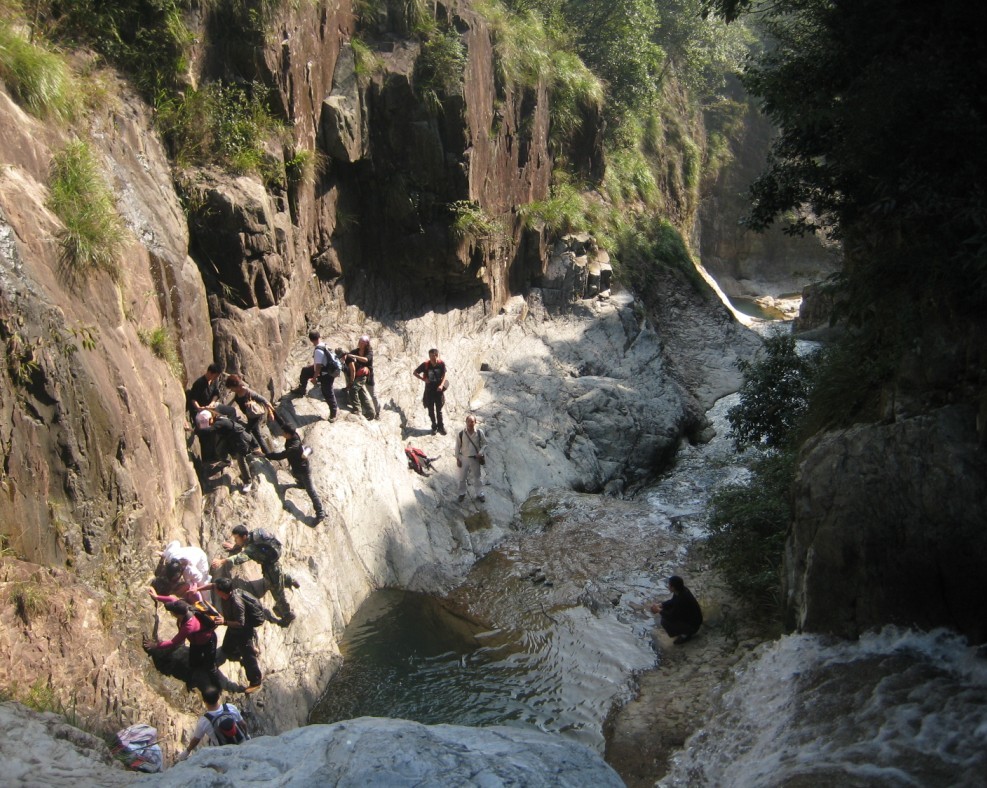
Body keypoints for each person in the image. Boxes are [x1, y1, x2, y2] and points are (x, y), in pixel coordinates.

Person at [211, 525, 297, 625]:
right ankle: (290, 580)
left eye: (236, 538)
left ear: (243, 537)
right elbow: (244, 546)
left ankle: (287, 615)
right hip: (272, 565)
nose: (235, 541)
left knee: (278, 593)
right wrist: (234, 547)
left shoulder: (252, 548)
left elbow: (239, 558)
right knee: (277, 578)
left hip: (271, 569)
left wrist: (222, 561)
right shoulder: (253, 535)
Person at [143, 597, 220, 690]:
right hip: (196, 642)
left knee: (210, 666)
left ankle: (217, 686)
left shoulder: (189, 626)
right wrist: (156, 596)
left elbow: (173, 642)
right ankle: (192, 679)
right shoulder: (185, 607)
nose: (170, 613)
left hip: (208, 641)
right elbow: (171, 598)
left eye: (172, 612)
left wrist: (155, 645)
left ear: (177, 614)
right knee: (193, 663)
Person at [211, 577, 268, 692]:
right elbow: (212, 586)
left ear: (222, 592)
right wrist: (197, 589)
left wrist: (224, 622)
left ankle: (255, 681)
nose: (214, 589)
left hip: (243, 630)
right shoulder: (226, 592)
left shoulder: (237, 603)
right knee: (226, 648)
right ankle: (235, 653)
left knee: (248, 656)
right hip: (232, 627)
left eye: (216, 589)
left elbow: (240, 623)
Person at [265, 424, 325, 525]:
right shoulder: (294, 435)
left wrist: (265, 455)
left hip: (303, 470)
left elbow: (281, 455)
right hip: (297, 468)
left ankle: (320, 512)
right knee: (297, 476)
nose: (282, 434)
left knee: (311, 491)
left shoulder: (294, 446)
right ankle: (301, 484)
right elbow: (281, 421)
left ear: (288, 434)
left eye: (284, 433)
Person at [174, 687, 248, 761]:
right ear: (219, 697)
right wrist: (247, 736)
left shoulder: (204, 721)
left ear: (204, 701)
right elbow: (243, 724)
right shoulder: (230, 707)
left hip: (223, 752)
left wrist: (187, 751)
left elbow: (196, 740)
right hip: (241, 744)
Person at [195, 410, 258, 492]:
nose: (208, 425)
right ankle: (227, 461)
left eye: (207, 422)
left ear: (211, 418)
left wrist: (193, 430)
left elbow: (210, 430)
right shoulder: (216, 420)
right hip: (228, 437)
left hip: (241, 439)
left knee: (241, 459)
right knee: (219, 449)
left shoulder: (220, 422)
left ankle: (248, 482)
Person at [225, 374, 276, 454]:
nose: (231, 390)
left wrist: (271, 412)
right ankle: (266, 453)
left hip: (255, 415)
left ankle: (259, 450)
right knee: (255, 433)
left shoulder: (246, 391)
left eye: (232, 388)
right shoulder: (238, 392)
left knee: (248, 432)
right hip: (250, 416)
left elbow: (263, 399)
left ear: (236, 386)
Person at [296, 330, 340, 422]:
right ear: (319, 336)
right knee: (305, 371)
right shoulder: (325, 345)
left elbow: (319, 367)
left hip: (326, 374)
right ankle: (301, 390)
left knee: (327, 392)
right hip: (327, 369)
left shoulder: (318, 350)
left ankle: (334, 412)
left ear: (311, 340)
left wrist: (314, 378)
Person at [651, 575, 703, 644]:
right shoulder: (682, 591)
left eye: (669, 585)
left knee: (664, 621)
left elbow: (671, 617)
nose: (668, 586)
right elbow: (672, 601)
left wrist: (658, 610)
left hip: (693, 626)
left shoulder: (682, 599)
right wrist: (660, 605)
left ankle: (686, 634)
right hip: (693, 620)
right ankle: (683, 631)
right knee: (666, 610)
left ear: (673, 587)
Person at [413, 348, 447, 435]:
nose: (433, 357)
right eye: (431, 356)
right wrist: (423, 379)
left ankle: (441, 427)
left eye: (434, 355)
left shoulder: (441, 364)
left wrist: (441, 385)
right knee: (431, 410)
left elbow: (444, 375)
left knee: (439, 410)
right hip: (429, 391)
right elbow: (415, 372)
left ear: (437, 355)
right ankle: (434, 427)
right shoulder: (425, 365)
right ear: (429, 356)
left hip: (438, 391)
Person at [345, 335, 380, 419]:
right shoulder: (355, 351)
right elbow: (348, 356)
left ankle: (377, 412)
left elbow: (366, 359)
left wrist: (355, 357)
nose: (360, 344)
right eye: (360, 342)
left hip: (368, 376)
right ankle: (367, 410)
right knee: (359, 391)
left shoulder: (369, 352)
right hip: (359, 375)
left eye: (362, 343)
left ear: (366, 344)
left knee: (373, 395)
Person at [455, 415, 487, 502]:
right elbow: (457, 446)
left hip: (475, 458)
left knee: (477, 477)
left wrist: (480, 453)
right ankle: (462, 493)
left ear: (475, 422)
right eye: (469, 421)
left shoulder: (479, 432)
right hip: (464, 458)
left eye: (472, 422)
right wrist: (457, 458)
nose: (470, 423)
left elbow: (485, 443)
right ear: (466, 422)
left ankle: (480, 493)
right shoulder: (461, 433)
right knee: (462, 477)